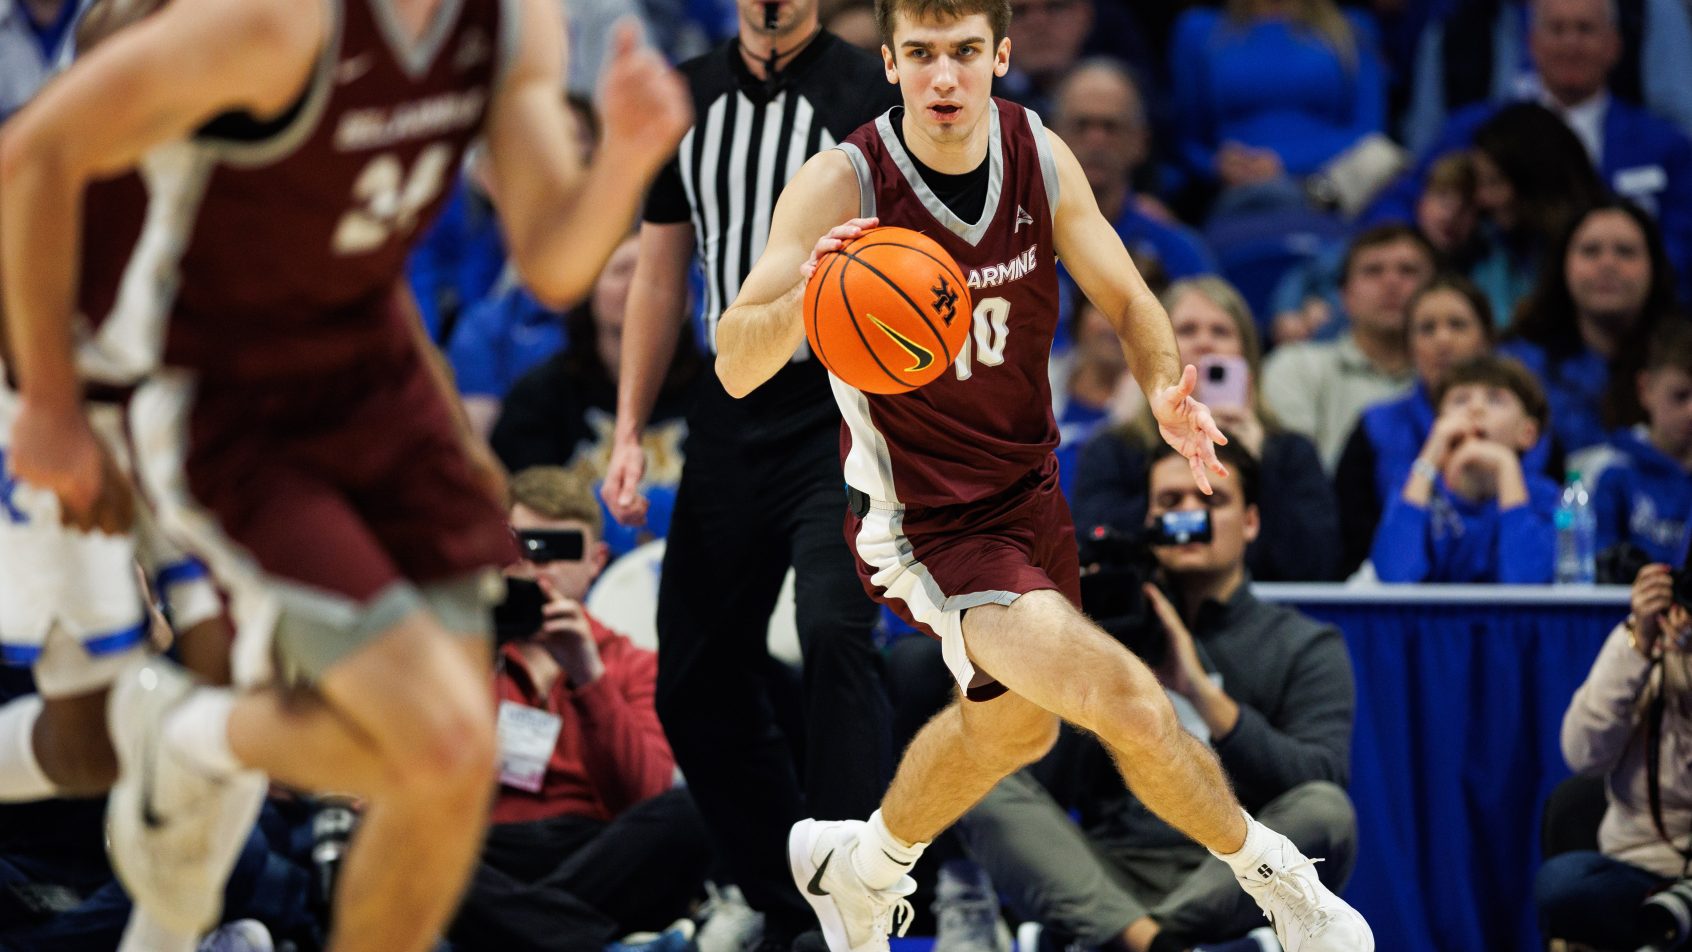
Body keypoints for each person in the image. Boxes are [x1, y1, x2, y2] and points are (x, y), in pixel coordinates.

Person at [0, 3, 691, 952]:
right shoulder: (276, 24)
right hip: (236, 399)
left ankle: (188, 739)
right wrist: (46, 404)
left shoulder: (516, 25)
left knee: (449, 766)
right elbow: (30, 155)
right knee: (424, 741)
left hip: (375, 379)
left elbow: (554, 260)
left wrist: (623, 156)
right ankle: (188, 740)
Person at [711, 0, 1374, 948]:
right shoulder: (840, 183)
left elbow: (1129, 293)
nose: (946, 77)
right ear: (890, 64)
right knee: (1130, 700)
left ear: (1002, 57)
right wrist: (810, 299)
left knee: (1017, 733)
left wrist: (1160, 390)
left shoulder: (1037, 151)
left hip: (1031, 494)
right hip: (927, 523)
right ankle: (1284, 888)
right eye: (925, 55)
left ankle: (862, 866)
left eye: (967, 53)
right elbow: (735, 360)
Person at [602, 0, 900, 942]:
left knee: (832, 633)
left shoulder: (864, 90)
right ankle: (785, 895)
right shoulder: (683, 96)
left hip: (843, 405)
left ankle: (855, 901)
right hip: (729, 405)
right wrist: (627, 428)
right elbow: (659, 270)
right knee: (692, 681)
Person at [955, 440, 1359, 952]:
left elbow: (1319, 782)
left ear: (1251, 522)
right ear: (1148, 520)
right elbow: (1045, 781)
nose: (1188, 515)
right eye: (1169, 504)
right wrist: (1082, 668)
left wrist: (1200, 693)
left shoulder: (1303, 644)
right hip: (1107, 870)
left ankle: (1129, 939)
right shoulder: (1108, 635)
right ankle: (1157, 943)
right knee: (981, 778)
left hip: (1234, 874)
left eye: (1210, 501)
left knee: (1327, 810)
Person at [450, 466, 711, 952]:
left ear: (596, 561)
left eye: (558, 551)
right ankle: (597, 945)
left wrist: (588, 674)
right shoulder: (459, 652)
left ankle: (518, 933)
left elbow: (642, 795)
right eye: (525, 548)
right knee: (402, 848)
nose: (539, 568)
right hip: (486, 847)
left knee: (691, 812)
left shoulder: (634, 663)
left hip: (598, 849)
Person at [1370, 0, 1692, 301]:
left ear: (1614, 46)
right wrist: (1432, 222)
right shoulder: (1475, 130)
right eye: (1557, 29)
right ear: (1531, 43)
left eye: (1585, 30)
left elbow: (1682, 245)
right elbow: (1400, 202)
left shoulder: (1664, 145)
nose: (1571, 44)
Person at [1074, 277, 1340, 582]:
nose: (1205, 343)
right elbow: (1096, 548)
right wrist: (1183, 468)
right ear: (1157, 351)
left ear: (1246, 354)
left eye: (1221, 331)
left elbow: (1315, 564)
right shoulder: (1113, 449)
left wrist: (1255, 468)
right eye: (1187, 331)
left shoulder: (1291, 452)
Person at [1535, 557, 1692, 949]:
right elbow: (1582, 753)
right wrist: (1638, 644)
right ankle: (1666, 927)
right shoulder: (1642, 644)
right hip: (1640, 870)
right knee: (1562, 884)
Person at [1334, 274, 1500, 578]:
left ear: (1487, 339)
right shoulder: (1375, 426)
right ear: (1410, 347)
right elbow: (1355, 549)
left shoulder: (1528, 429)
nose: (1443, 340)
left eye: (1457, 325)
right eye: (1427, 329)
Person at [1500, 198, 1681, 459]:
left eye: (1626, 251)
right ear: (1562, 264)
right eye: (1590, 251)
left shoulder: (1683, 359)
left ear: (1654, 266)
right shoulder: (1517, 365)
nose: (1608, 264)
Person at [1370, 354, 1559, 583]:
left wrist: (1506, 466)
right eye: (1460, 400)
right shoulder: (1416, 492)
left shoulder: (1544, 498)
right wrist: (1430, 456)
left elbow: (1527, 586)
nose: (1475, 409)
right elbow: (1394, 578)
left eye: (1495, 400)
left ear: (1527, 433)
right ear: (1438, 422)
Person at [1261, 224, 1434, 471]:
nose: (1391, 282)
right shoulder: (1294, 366)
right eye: (1373, 271)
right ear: (1345, 296)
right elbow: (1293, 477)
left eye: (1408, 271)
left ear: (1433, 290)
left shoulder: (1454, 381)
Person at [1169, 0, 1386, 194]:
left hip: (1331, 188)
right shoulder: (1199, 30)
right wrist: (1215, 165)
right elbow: (1187, 141)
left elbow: (1368, 133)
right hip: (1236, 194)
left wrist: (1283, 162)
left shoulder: (1352, 28)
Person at [1049, 59, 1216, 290]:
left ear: (1140, 142)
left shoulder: (1177, 253)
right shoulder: (1007, 241)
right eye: (1081, 125)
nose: (1096, 140)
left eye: (1111, 127)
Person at [1587, 320, 1692, 568]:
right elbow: (1595, 567)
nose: (1691, 412)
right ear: (1646, 389)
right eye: (1679, 396)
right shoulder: (1611, 468)